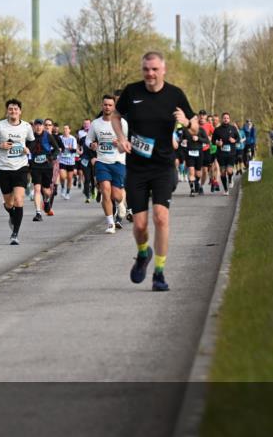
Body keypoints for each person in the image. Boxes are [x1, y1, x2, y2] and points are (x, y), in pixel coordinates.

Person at [113, 51, 197, 292]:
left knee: (161, 217)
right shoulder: (132, 92)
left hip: (162, 167)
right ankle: (143, 254)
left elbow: (195, 130)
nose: (150, 74)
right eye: (146, 69)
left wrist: (187, 121)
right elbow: (116, 116)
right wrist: (121, 138)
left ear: (163, 70)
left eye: (154, 69)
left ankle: (159, 273)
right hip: (137, 168)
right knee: (139, 225)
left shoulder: (175, 94)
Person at [0, 99, 35, 245]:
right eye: (10, 109)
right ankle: (12, 214)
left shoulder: (26, 126)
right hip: (3, 168)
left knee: (19, 200)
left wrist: (28, 149)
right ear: (7, 111)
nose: (13, 111)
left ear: (20, 111)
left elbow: (31, 141)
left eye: (16, 109)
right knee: (9, 203)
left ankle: (15, 234)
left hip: (20, 167)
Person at [87, 95, 128, 233]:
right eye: (105, 105)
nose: (107, 107)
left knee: (116, 196)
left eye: (110, 105)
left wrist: (120, 143)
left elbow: (127, 142)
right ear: (102, 106)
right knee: (105, 191)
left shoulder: (122, 123)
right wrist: (92, 144)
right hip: (102, 162)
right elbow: (88, 140)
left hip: (118, 162)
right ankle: (110, 223)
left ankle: (121, 204)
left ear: (114, 107)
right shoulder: (95, 123)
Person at [29, 119, 60, 221]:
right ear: (34, 126)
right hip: (35, 166)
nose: (38, 127)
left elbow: (57, 149)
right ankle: (38, 213)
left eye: (40, 125)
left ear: (43, 126)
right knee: (37, 189)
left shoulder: (48, 136)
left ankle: (46, 200)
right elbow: (25, 148)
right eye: (36, 125)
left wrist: (51, 157)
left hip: (47, 166)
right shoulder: (30, 137)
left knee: (46, 190)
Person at [212, 112, 239, 196]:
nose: (226, 119)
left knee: (229, 170)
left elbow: (238, 138)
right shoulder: (217, 130)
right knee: (223, 172)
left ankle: (230, 179)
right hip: (221, 154)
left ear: (229, 119)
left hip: (231, 153)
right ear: (222, 119)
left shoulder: (233, 128)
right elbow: (213, 141)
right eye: (224, 118)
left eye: (227, 118)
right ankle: (226, 189)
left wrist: (234, 141)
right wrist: (217, 143)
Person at [183, 119, 211, 197]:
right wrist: (183, 141)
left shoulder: (201, 130)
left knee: (198, 174)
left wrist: (198, 139)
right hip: (189, 153)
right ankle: (192, 190)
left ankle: (196, 183)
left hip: (199, 153)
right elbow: (181, 139)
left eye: (195, 120)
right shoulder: (186, 130)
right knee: (191, 171)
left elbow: (207, 141)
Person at [58, 124, 79, 199]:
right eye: (64, 129)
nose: (65, 130)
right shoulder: (60, 138)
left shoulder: (73, 138)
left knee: (70, 178)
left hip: (70, 161)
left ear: (69, 130)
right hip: (62, 160)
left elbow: (74, 150)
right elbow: (56, 147)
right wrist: (59, 149)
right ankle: (63, 187)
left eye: (66, 129)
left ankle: (67, 193)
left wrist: (70, 149)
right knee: (62, 176)